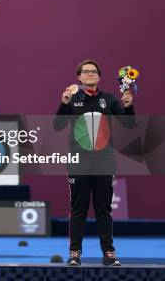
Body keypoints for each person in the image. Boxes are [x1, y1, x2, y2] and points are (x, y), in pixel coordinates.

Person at [55, 59, 134, 267]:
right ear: (79, 77)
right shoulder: (71, 98)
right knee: (78, 209)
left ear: (99, 77)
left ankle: (109, 252)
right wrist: (63, 104)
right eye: (85, 71)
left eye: (93, 71)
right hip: (78, 162)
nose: (90, 74)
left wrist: (128, 107)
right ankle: (74, 253)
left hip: (104, 162)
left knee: (103, 209)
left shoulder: (109, 100)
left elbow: (128, 125)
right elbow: (57, 126)